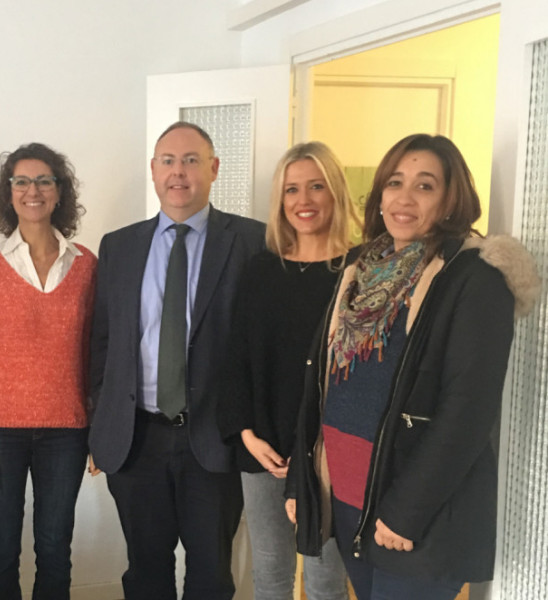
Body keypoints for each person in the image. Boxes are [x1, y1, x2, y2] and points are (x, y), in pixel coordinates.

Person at [285, 134, 540, 600]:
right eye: (395, 183)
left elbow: (468, 411)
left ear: (450, 199)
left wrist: (407, 512)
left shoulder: (475, 278)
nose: (403, 198)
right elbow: (322, 384)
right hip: (346, 497)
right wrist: (304, 482)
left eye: (425, 186)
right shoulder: (363, 268)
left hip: (410, 512)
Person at [89, 121, 266, 600]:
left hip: (213, 439)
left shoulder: (253, 242)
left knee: (211, 573)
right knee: (145, 572)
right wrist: (100, 417)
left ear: (213, 168)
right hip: (136, 438)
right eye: (168, 161)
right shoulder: (119, 246)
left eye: (191, 160)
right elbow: (102, 342)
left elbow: (263, 345)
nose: (178, 172)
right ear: (153, 171)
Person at [218, 142, 355, 600]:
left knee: (325, 581)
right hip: (263, 450)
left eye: (316, 186)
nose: (304, 200)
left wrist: (319, 449)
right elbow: (235, 358)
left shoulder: (358, 272)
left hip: (331, 453)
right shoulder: (260, 270)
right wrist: (246, 435)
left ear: (335, 192)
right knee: (271, 575)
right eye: (292, 189)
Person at [0, 142, 95, 600]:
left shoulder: (86, 265)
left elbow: (95, 353)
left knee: (56, 547)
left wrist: (101, 430)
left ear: (59, 192)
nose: (32, 190)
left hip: (67, 430)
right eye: (21, 181)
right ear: (8, 191)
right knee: (0, 548)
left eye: (43, 181)